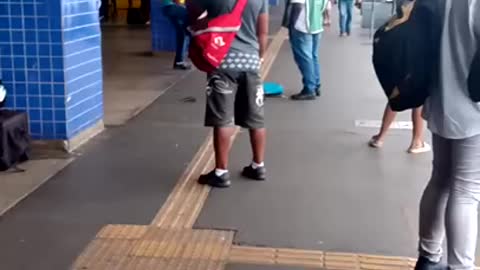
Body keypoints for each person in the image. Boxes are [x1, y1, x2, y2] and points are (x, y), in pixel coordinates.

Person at [415, 1, 480, 270]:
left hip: (440, 94)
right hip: (473, 107)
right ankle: (460, 266)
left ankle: (428, 257)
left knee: (440, 178)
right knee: (467, 189)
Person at [192, 0, 269, 188]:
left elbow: (196, 21)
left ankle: (221, 172)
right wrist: (258, 58)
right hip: (251, 61)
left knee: (223, 118)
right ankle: (258, 166)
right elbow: (263, 33)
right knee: (256, 116)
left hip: (221, 60)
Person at [283, 0, 328, 100]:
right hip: (316, 23)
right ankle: (316, 85)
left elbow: (296, 4)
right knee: (313, 56)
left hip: (303, 25)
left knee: (305, 58)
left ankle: (309, 88)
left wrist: (291, 23)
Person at [162, 0, 191, 70]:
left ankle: (178, 62)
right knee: (190, 14)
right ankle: (189, 31)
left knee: (181, 34)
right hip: (171, 7)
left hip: (169, 8)